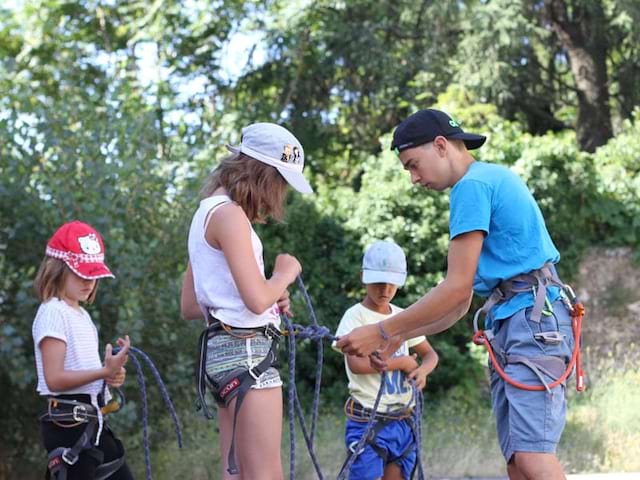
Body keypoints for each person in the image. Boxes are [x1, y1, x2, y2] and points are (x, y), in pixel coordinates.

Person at [336, 109, 579, 480]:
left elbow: (455, 286)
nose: (414, 178)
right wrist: (399, 335)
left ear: (440, 145)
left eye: (414, 165)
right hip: (518, 319)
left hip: (533, 322)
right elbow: (459, 302)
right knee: (517, 462)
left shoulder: (472, 186)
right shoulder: (488, 179)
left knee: (532, 458)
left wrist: (382, 331)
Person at [180, 122, 312, 480]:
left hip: (220, 357)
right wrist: (284, 272)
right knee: (266, 474)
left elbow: (191, 305)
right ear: (262, 174)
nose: (280, 195)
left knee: (235, 472)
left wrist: (269, 293)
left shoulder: (206, 212)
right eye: (281, 182)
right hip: (249, 355)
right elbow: (255, 300)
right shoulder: (231, 216)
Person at [32, 220, 132, 479]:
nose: (89, 281)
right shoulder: (53, 312)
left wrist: (112, 375)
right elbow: (55, 378)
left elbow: (85, 373)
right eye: (81, 273)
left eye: (93, 274)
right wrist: (101, 372)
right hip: (68, 425)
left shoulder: (81, 315)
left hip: (91, 422)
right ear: (57, 269)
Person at [334, 240, 438, 480]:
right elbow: (357, 365)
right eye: (379, 282)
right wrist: (402, 363)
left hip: (403, 420)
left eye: (392, 284)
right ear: (364, 278)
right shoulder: (355, 316)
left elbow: (430, 355)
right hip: (368, 420)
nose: (385, 289)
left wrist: (422, 371)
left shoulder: (403, 317)